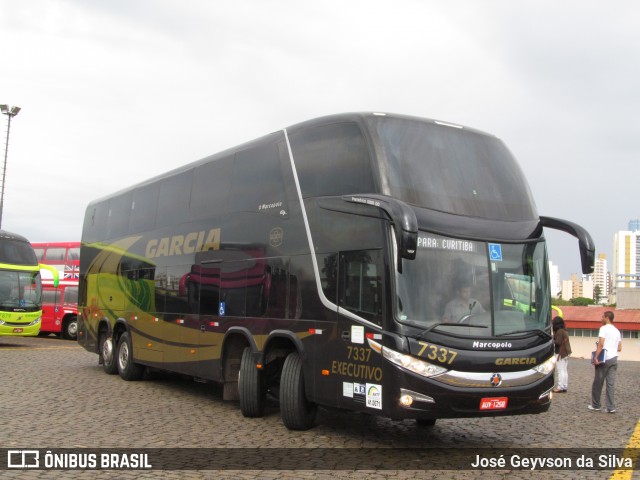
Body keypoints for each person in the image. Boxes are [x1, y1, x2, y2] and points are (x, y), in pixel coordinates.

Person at [588, 311, 622, 413]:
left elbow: (601, 344)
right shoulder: (617, 331)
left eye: (602, 317)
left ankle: (596, 405)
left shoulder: (603, 329)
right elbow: (619, 347)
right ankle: (611, 407)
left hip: (604, 359)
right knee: (610, 384)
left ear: (607, 318)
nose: (601, 318)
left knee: (598, 383)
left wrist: (596, 357)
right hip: (614, 359)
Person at [552, 316, 571, 393]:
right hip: (566, 352)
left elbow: (558, 342)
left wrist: (552, 339)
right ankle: (564, 386)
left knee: (560, 370)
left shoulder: (559, 331)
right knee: (564, 370)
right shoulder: (564, 330)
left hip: (561, 353)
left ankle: (560, 387)